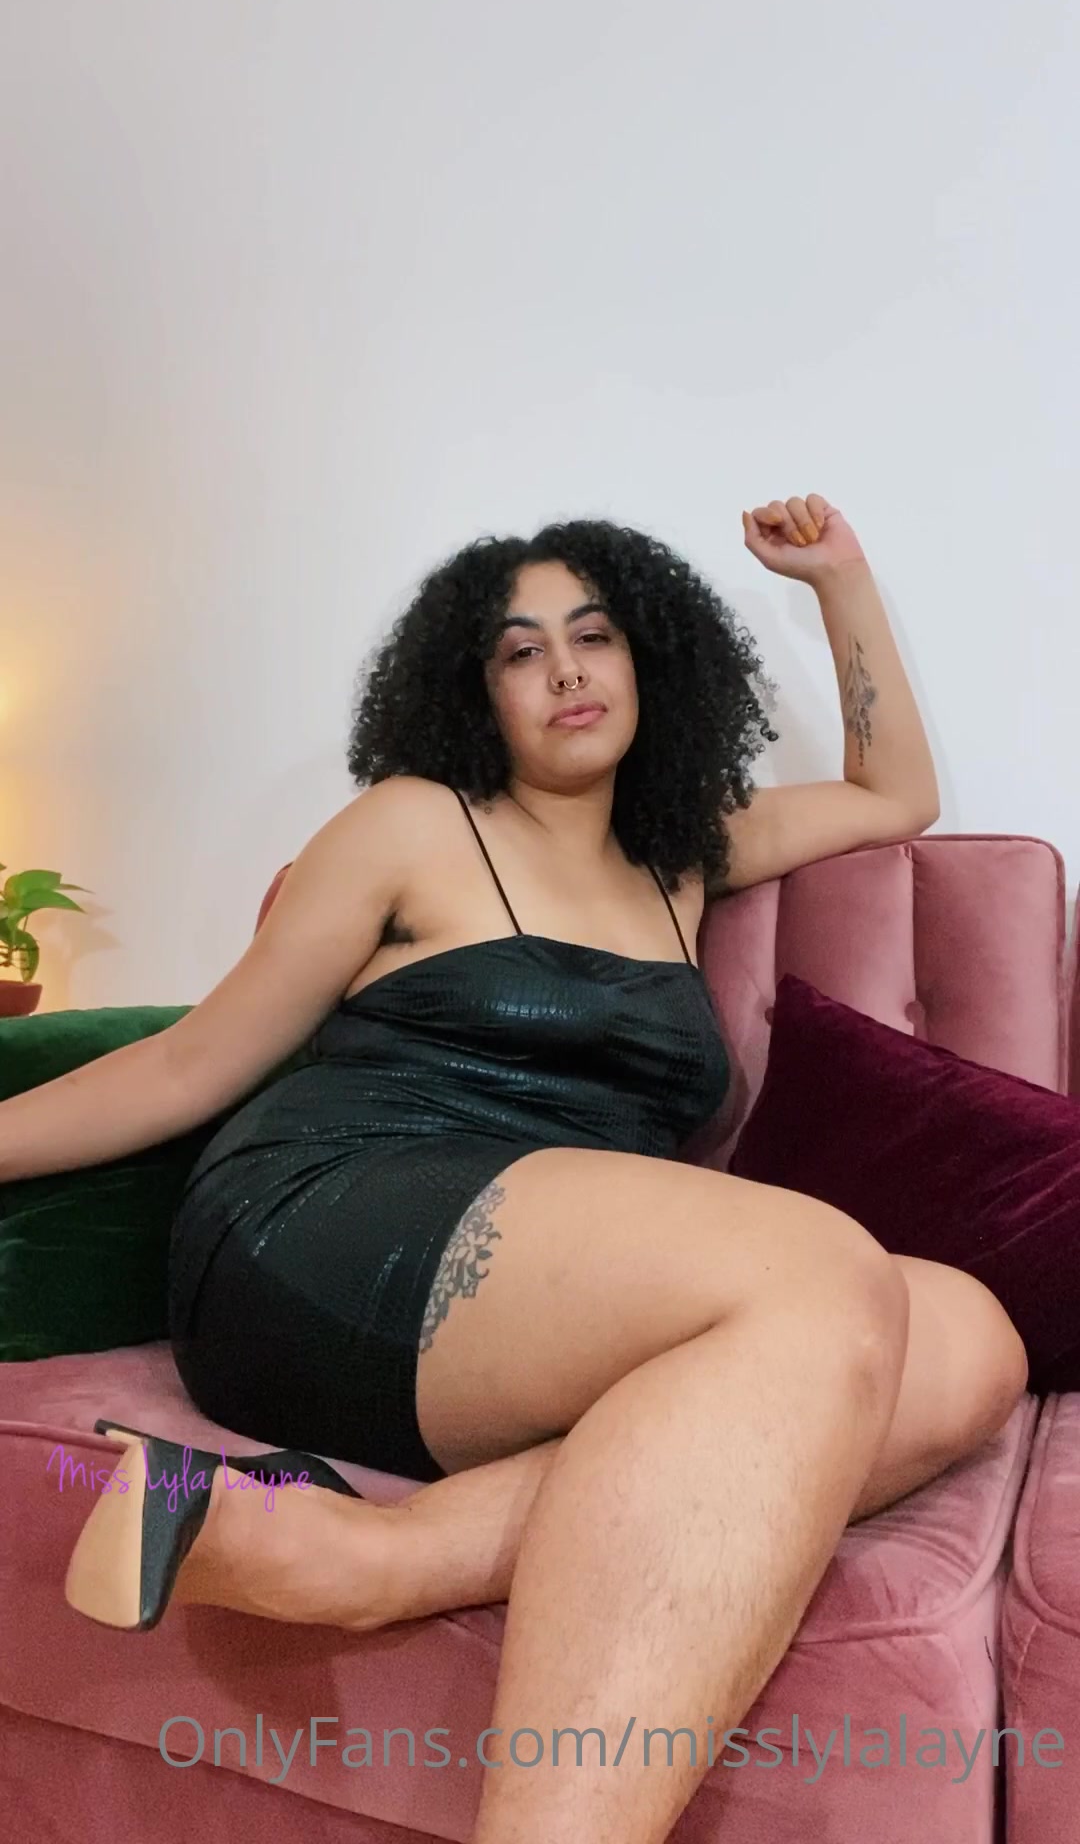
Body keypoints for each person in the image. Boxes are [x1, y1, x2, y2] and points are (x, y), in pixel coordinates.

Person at [9, 493, 1025, 1844]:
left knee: (966, 1339)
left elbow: (895, 796)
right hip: (327, 1221)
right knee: (818, 1270)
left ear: (648, 663)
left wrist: (838, 578)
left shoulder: (681, 856)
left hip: (530, 1302)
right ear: (473, 691)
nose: (565, 671)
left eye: (594, 637)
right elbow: (192, 1063)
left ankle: (375, 1555)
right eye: (520, 650)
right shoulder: (413, 823)